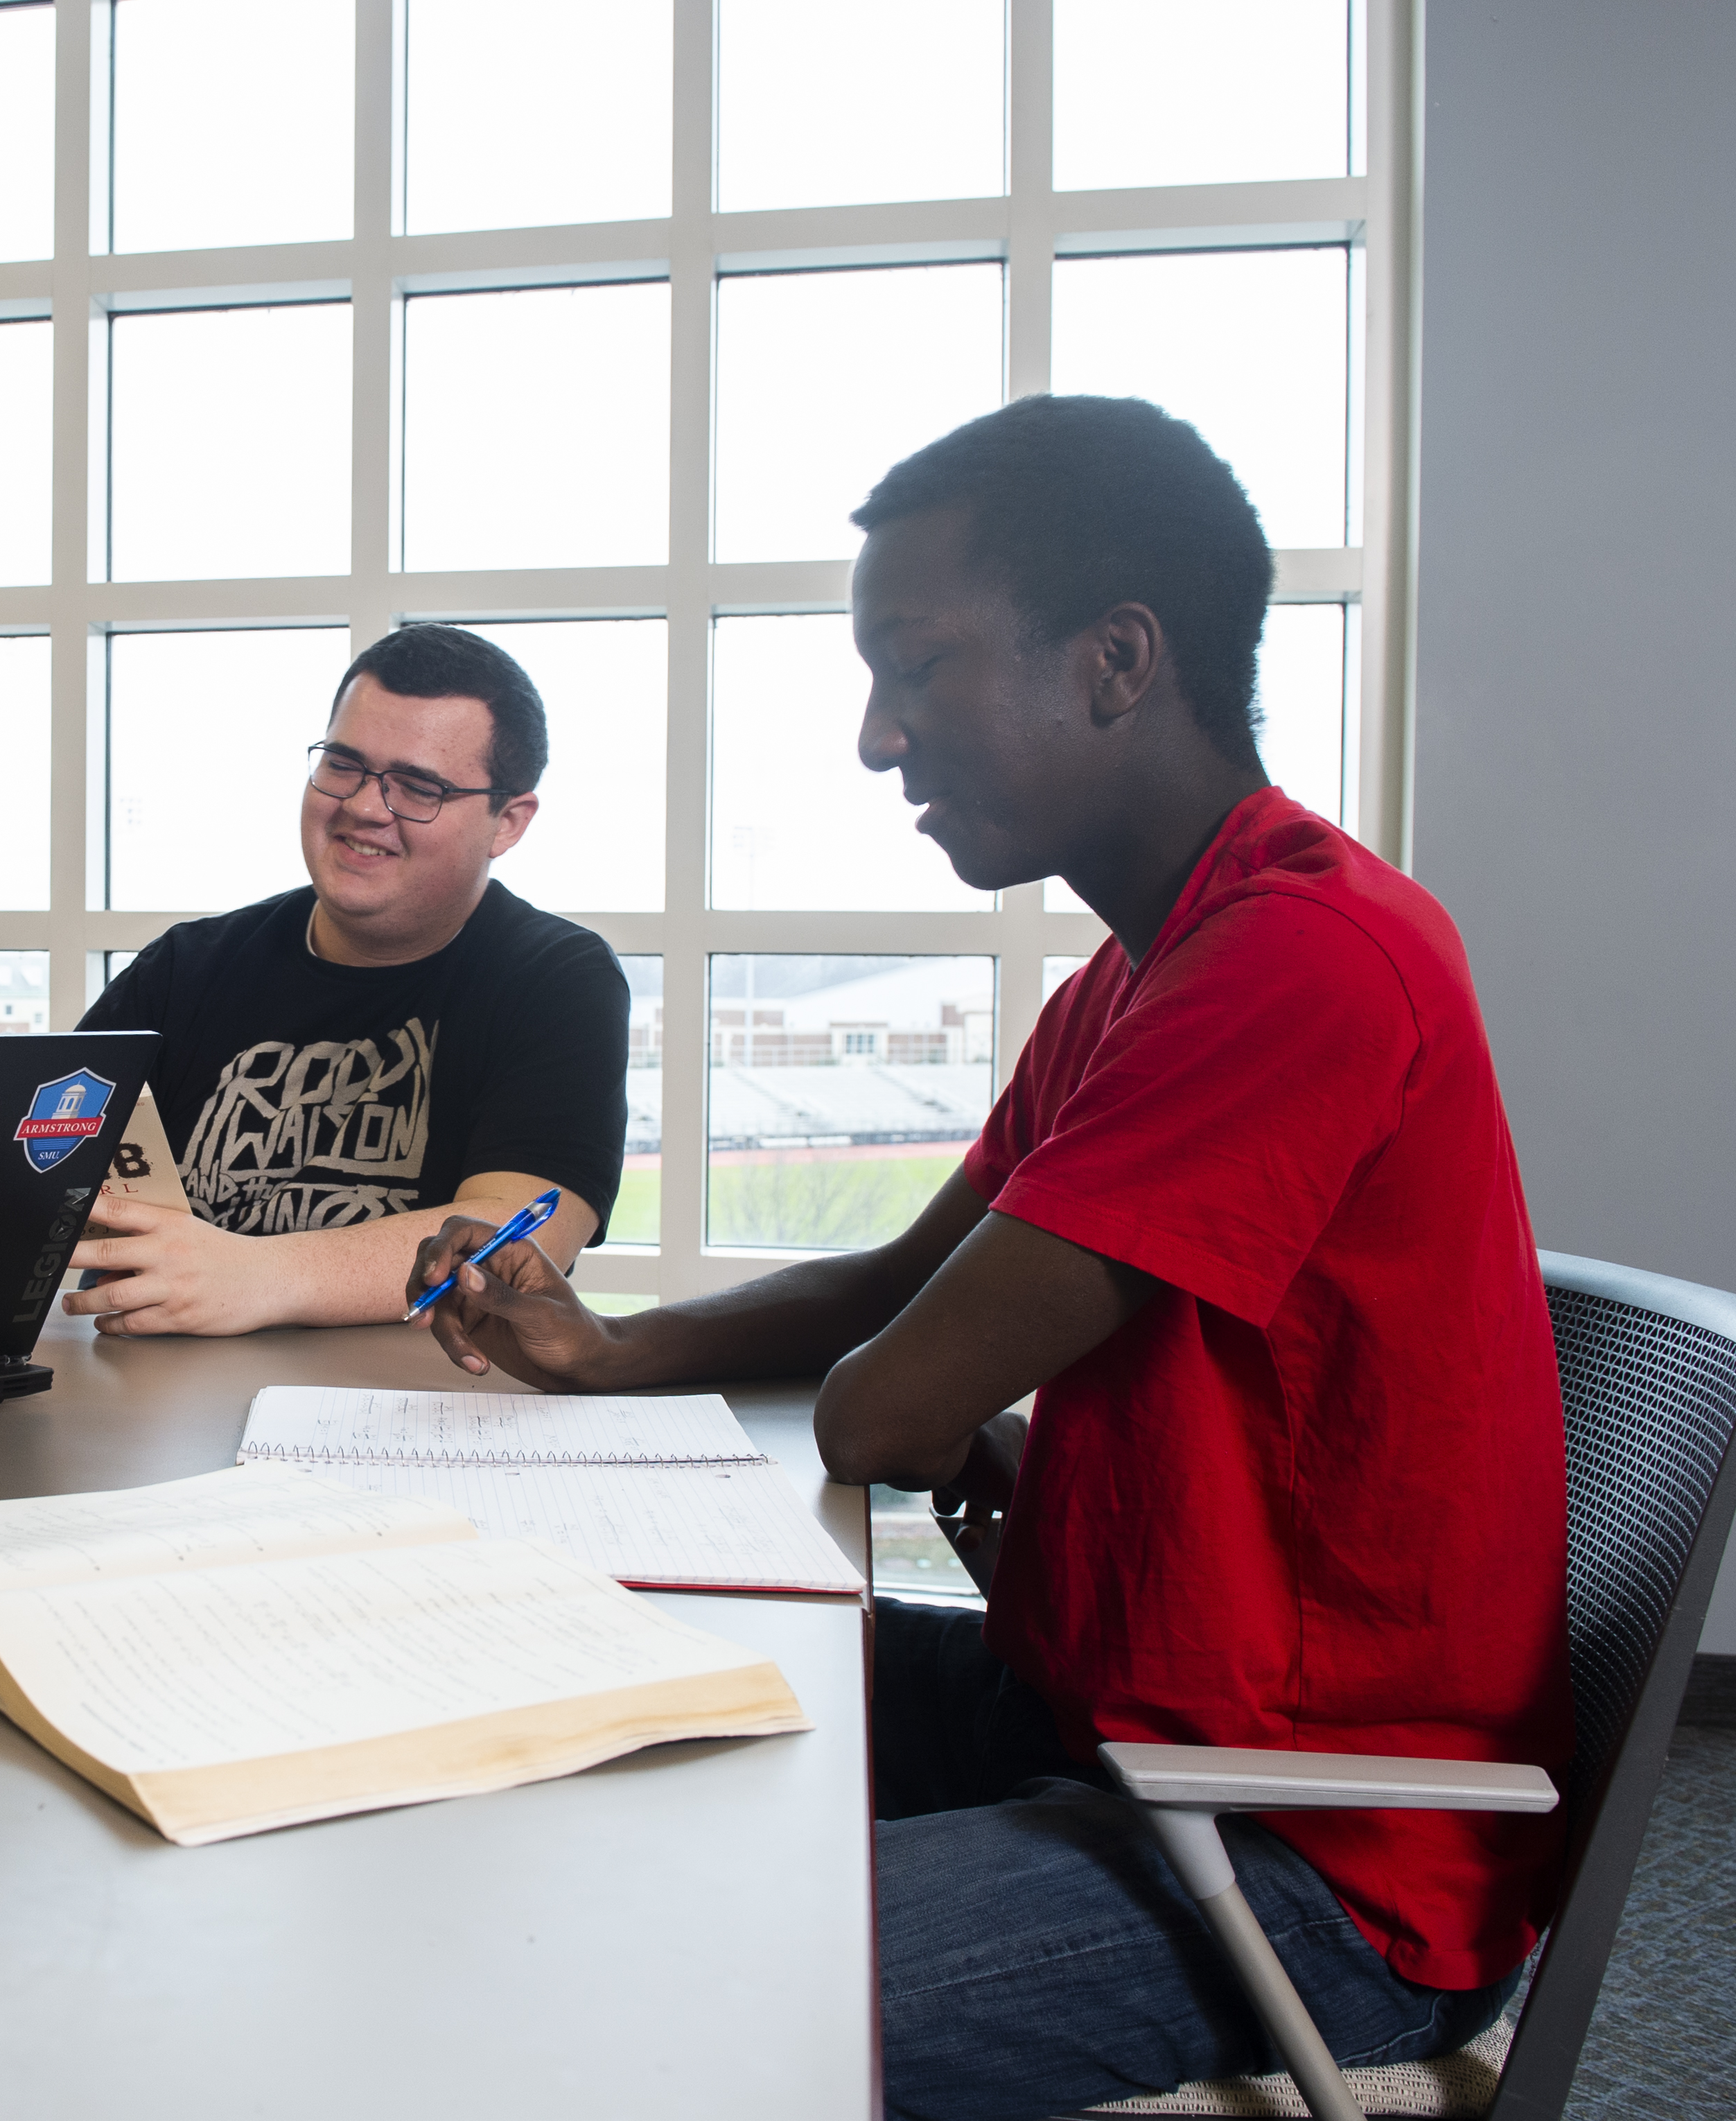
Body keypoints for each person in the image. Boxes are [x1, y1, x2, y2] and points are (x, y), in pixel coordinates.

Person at [405, 396, 1572, 2119]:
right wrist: (596, 1344)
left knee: (625, 1989)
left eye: (912, 666)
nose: (878, 737)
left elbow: (885, 1404)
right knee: (544, 1676)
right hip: (1122, 1721)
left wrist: (941, 1409)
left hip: (1302, 1854)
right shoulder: (1138, 972)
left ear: (1111, 660)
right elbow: (891, 1286)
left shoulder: (1301, 954)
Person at [68, 622, 629, 1336]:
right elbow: (34, 1157)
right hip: (154, 1409)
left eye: (418, 786)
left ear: (508, 822)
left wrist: (253, 1273)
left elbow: (520, 1233)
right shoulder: (186, 967)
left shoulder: (555, 978)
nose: (365, 806)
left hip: (418, 1419)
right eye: (344, 764)